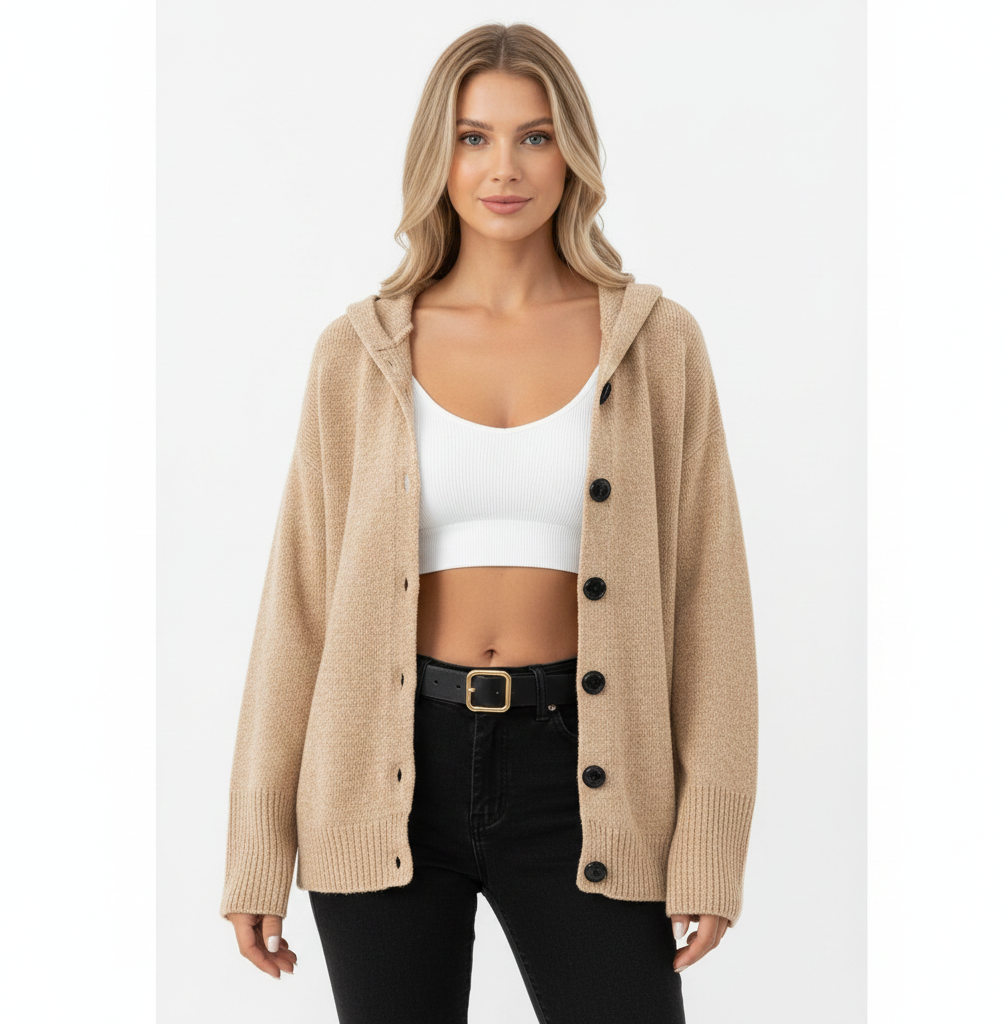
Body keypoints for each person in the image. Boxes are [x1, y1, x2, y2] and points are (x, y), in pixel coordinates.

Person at [221, 22, 758, 1024]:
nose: (503, 168)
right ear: (438, 155)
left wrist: (709, 843)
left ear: (573, 154)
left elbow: (709, 602)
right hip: (380, 777)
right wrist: (256, 842)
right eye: (473, 137)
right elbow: (297, 604)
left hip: (587, 777)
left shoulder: (657, 344)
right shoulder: (358, 351)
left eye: (534, 137)